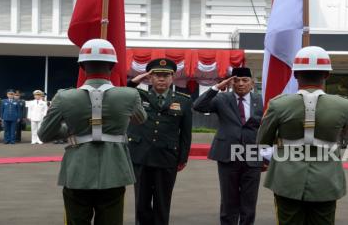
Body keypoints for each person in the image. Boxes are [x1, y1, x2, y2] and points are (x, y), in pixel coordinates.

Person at [38, 39, 146, 225]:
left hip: (77, 171)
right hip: (114, 169)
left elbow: (45, 134)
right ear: (112, 66)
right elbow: (140, 119)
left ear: (82, 67)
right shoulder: (129, 95)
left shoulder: (64, 97)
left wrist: (70, 130)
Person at [257, 46, 348, 225]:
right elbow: (344, 137)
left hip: (286, 180)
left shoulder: (278, 104)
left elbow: (263, 142)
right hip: (326, 180)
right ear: (326, 75)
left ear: (295, 75)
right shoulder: (344, 106)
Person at [193, 67, 263, 225]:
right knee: (228, 198)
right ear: (231, 82)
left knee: (249, 199)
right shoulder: (222, 99)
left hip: (252, 153)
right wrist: (217, 87)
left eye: (245, 80)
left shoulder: (261, 100)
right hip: (227, 153)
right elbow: (198, 106)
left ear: (252, 83)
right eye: (236, 80)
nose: (240, 84)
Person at [127, 58, 192, 225]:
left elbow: (185, 133)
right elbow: (122, 93)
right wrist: (136, 80)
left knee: (163, 202)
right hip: (141, 156)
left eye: (166, 75)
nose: (161, 79)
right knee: (141, 202)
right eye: (156, 75)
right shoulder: (137, 96)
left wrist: (183, 158)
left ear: (172, 78)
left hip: (167, 157)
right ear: (149, 78)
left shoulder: (183, 100)